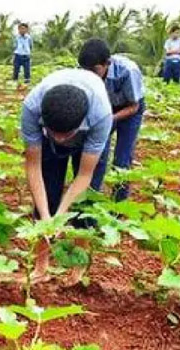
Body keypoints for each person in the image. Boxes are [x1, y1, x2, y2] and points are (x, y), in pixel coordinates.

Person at [21, 68, 112, 222]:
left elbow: (84, 175)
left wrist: (60, 216)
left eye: (66, 135)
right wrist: (45, 217)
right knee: (49, 191)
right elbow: (33, 166)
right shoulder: (32, 108)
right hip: (46, 136)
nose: (60, 140)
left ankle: (81, 240)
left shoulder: (100, 116)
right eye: (54, 133)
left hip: (87, 135)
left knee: (85, 205)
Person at [78, 39, 145, 201]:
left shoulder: (128, 71)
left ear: (107, 63)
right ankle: (91, 199)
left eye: (95, 70)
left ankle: (119, 202)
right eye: (86, 70)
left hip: (130, 108)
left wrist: (108, 119)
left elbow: (134, 106)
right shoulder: (86, 72)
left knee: (122, 158)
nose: (90, 75)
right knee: (97, 153)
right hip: (104, 108)